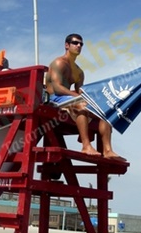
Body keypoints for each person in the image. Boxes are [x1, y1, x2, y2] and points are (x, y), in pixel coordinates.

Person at [46, 33, 126, 161]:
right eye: (75, 43)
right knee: (81, 105)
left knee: (104, 111)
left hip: (68, 99)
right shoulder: (59, 63)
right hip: (54, 98)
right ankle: (86, 146)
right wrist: (78, 97)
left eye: (81, 44)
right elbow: (58, 88)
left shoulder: (79, 71)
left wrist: (92, 98)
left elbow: (80, 91)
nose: (79, 46)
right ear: (67, 45)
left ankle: (107, 150)